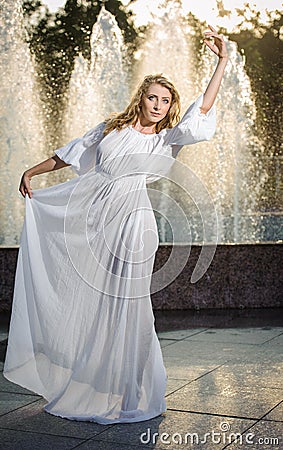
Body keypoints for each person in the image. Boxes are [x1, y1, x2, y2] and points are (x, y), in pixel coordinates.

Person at [4, 25, 228, 424]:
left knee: (132, 302)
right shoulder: (111, 127)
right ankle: (95, 381)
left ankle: (133, 390)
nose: (158, 105)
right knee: (98, 299)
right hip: (97, 219)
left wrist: (222, 61)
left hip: (134, 222)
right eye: (152, 97)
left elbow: (204, 110)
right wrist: (31, 171)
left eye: (165, 100)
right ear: (140, 97)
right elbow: (70, 155)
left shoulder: (167, 138)